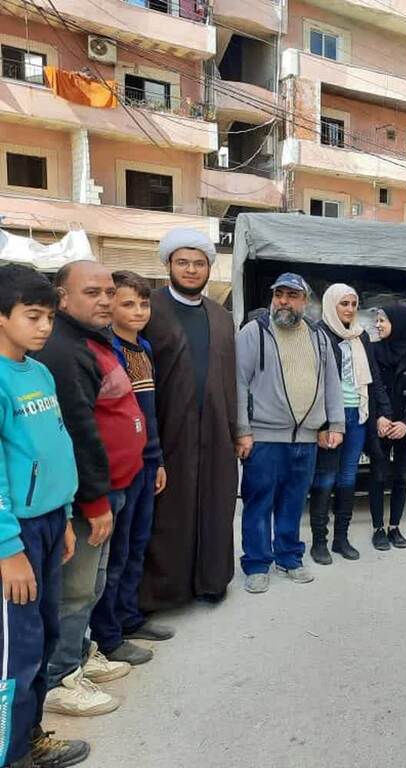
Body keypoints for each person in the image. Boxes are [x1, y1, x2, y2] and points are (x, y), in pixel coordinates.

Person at [36, 261, 147, 717]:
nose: (104, 300)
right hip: (89, 497)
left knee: (94, 583)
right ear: (62, 298)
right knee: (77, 590)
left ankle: (79, 657)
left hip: (114, 487)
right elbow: (79, 431)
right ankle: (62, 679)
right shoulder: (64, 350)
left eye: (107, 291)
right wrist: (96, 500)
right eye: (92, 292)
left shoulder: (89, 340)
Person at [0, 265, 89, 768]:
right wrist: (8, 549)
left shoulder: (39, 372)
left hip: (53, 523)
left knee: (47, 636)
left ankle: (30, 738)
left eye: (49, 318)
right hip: (17, 535)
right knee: (17, 651)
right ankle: (9, 754)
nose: (44, 328)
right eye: (32, 317)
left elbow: (57, 447)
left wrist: (69, 515)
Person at [140, 228, 238, 609]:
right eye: (183, 262)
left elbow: (231, 376)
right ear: (168, 264)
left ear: (209, 268)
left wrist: (237, 430)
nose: (192, 269)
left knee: (215, 503)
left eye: (199, 263)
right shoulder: (150, 308)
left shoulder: (220, 315)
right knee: (170, 510)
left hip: (216, 429)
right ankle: (166, 591)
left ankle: (211, 582)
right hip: (167, 428)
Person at [235, 274, 344, 593]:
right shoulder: (255, 332)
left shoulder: (318, 336)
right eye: (278, 294)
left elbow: (331, 383)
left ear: (305, 301)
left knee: (294, 502)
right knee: (259, 502)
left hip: (307, 439)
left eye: (292, 295)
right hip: (265, 437)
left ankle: (288, 557)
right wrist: (242, 430)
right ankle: (256, 564)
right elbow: (238, 382)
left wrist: (333, 423)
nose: (283, 300)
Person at [89, 272, 173, 668]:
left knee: (137, 545)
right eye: (128, 304)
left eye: (143, 304)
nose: (138, 311)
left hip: (145, 463)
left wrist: (155, 460)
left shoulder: (144, 347)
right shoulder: (105, 351)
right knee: (116, 554)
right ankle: (108, 636)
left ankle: (128, 617)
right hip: (117, 469)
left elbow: (148, 415)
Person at [308, 284, 390, 564]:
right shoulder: (318, 333)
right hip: (332, 416)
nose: (350, 309)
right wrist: (322, 423)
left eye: (354, 304)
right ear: (332, 304)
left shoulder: (361, 336)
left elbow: (374, 377)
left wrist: (383, 411)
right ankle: (319, 542)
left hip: (358, 415)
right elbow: (314, 381)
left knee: (348, 477)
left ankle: (340, 539)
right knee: (325, 477)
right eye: (344, 303)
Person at [368, 305, 406, 551]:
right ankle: (377, 529)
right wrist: (378, 419)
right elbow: (368, 389)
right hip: (381, 425)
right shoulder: (372, 351)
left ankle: (394, 527)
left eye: (383, 320)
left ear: (400, 324)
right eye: (378, 320)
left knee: (401, 477)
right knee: (378, 476)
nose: (378, 325)